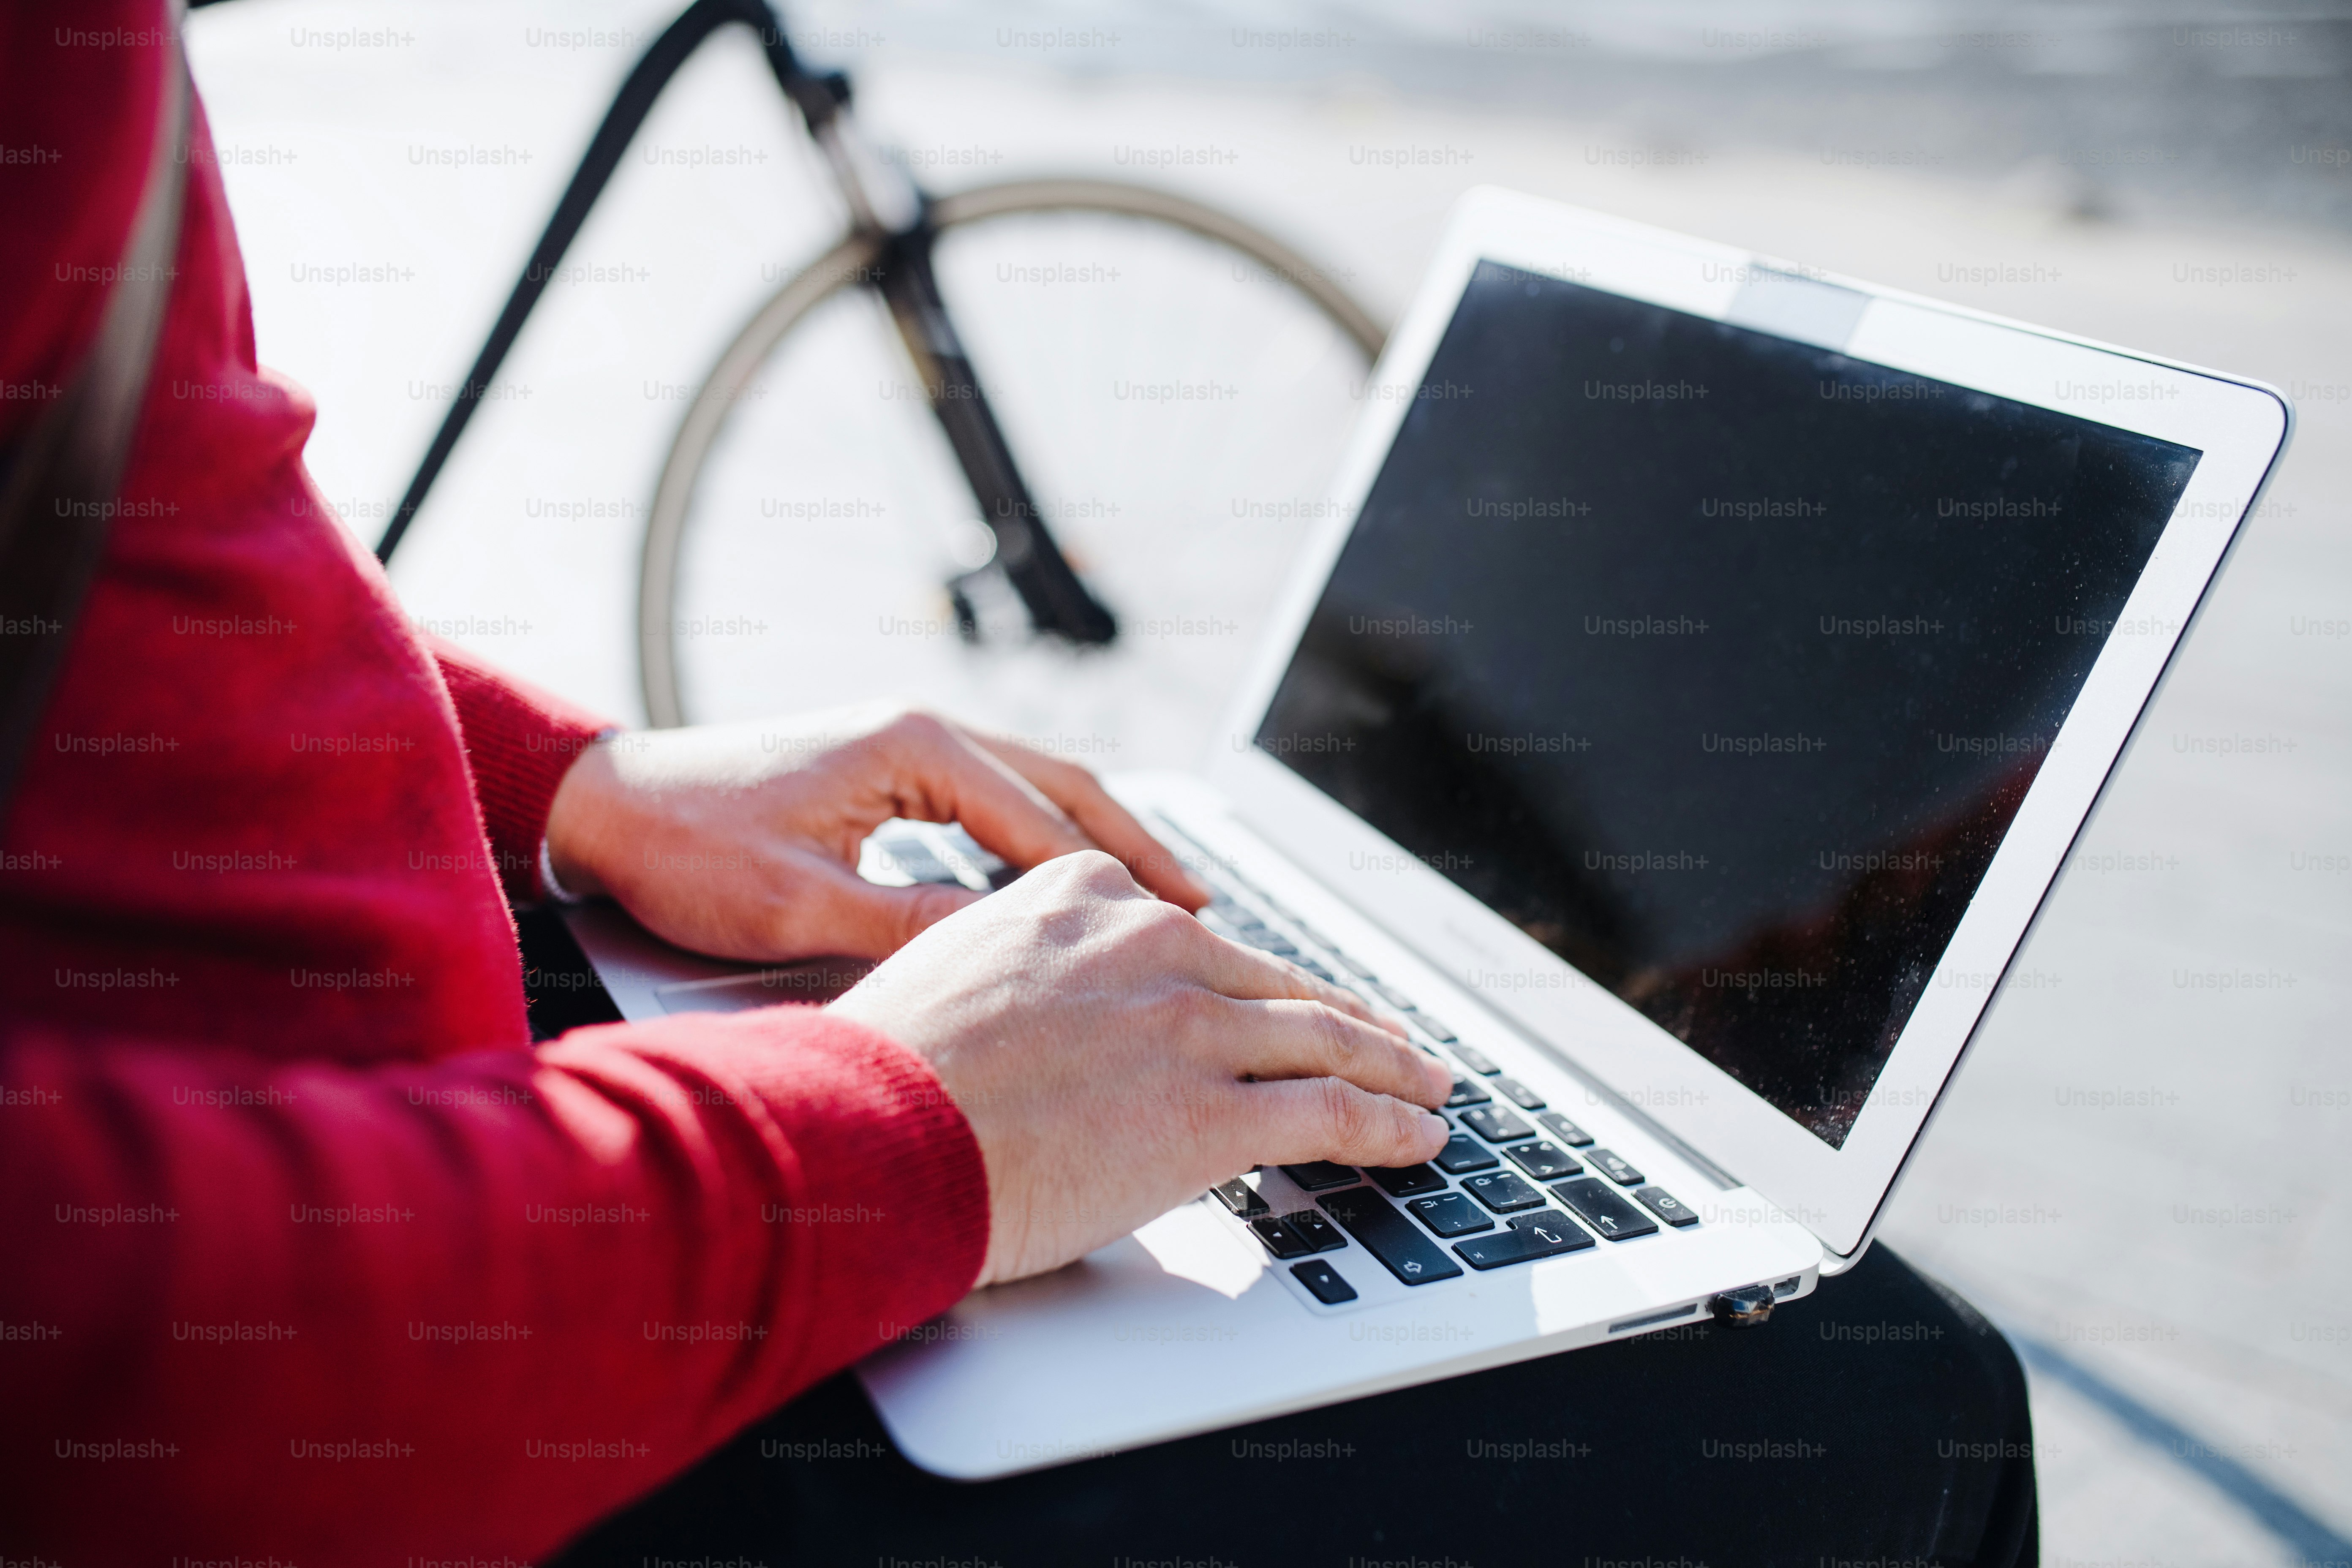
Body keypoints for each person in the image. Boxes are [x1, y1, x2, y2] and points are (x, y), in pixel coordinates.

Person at [0, 6, 2037, 1565]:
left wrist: (573, 785)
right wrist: (898, 1135)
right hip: (407, 1389)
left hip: (430, 1161)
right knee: (1896, 1395)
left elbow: (91, 563)